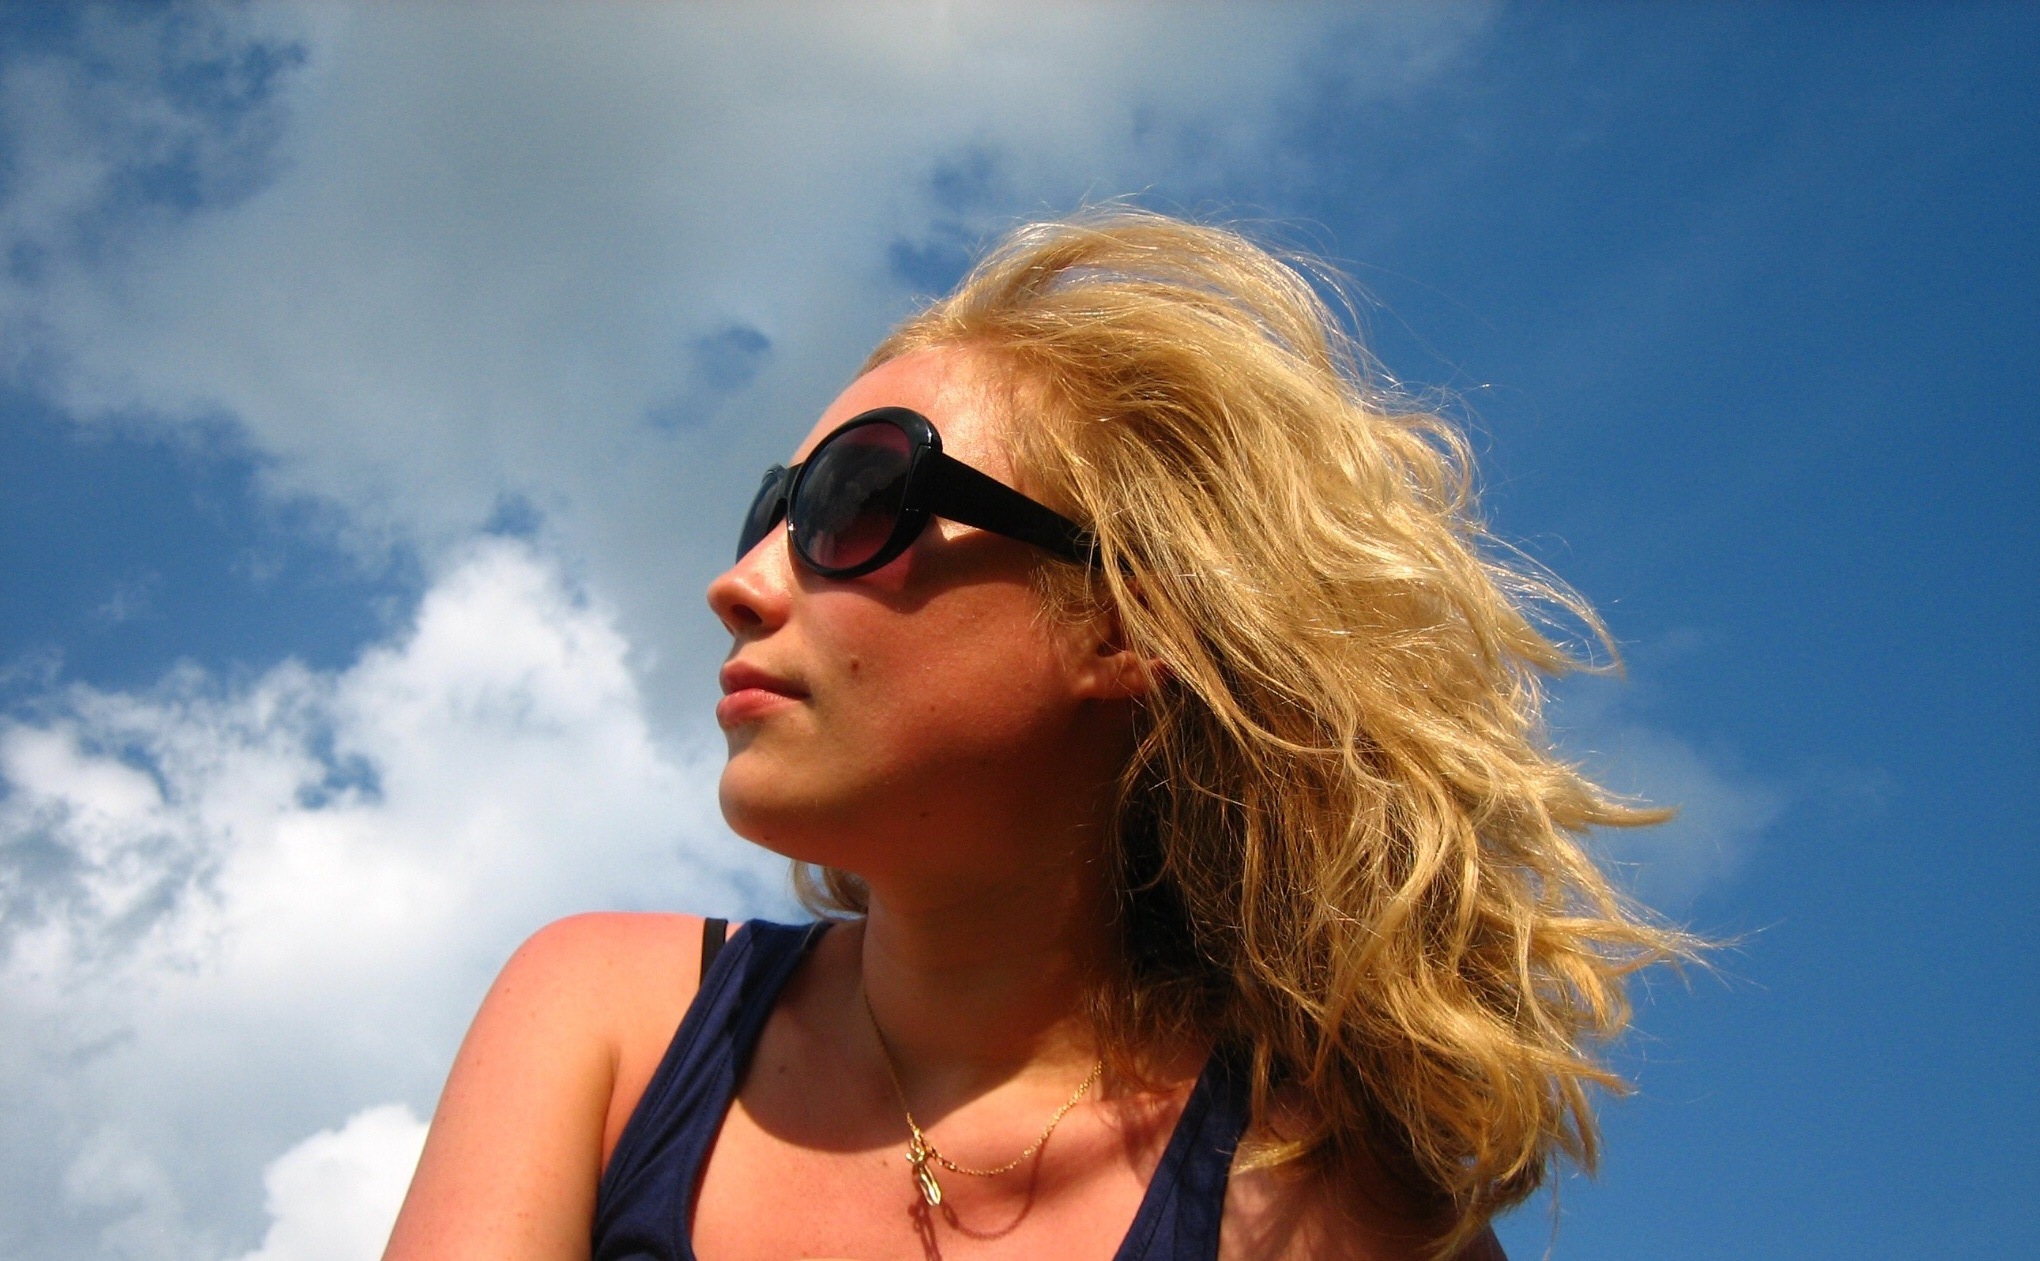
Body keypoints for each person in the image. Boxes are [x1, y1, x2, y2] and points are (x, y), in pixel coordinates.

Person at [384, 209, 1690, 1261]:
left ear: (1126, 623)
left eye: (856, 502)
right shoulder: (607, 1021)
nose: (740, 582)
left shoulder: (1319, 1205)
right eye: (767, 513)